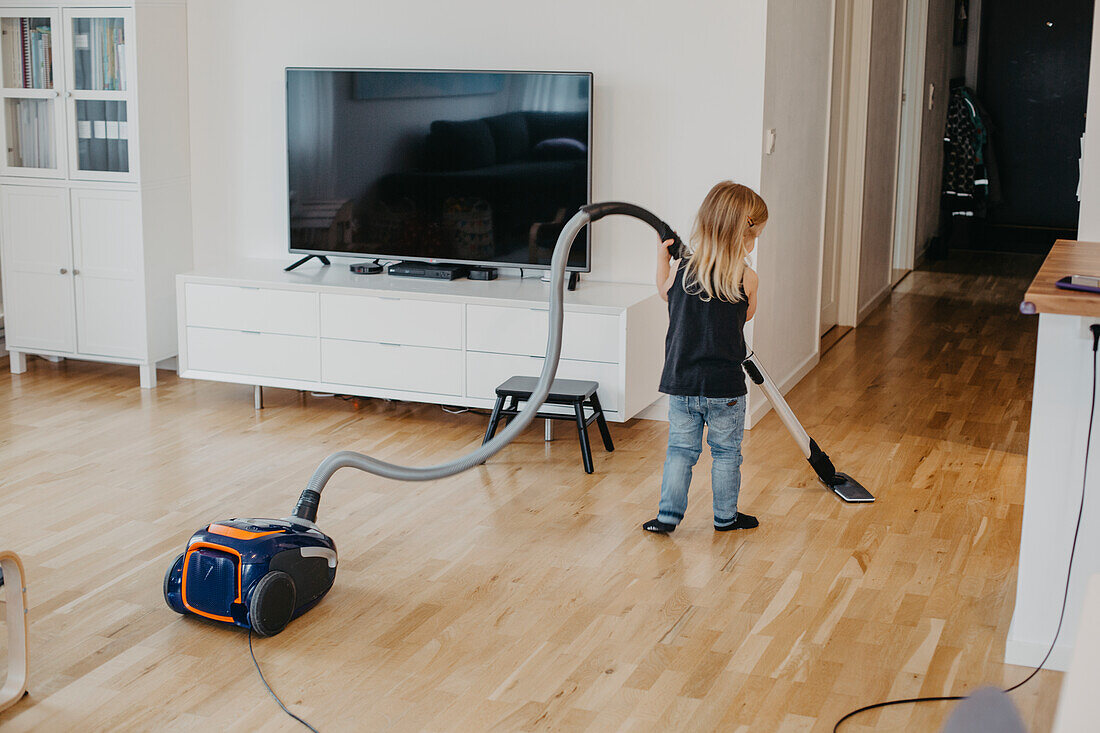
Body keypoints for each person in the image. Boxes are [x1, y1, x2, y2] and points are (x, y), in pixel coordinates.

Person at [643, 181, 766, 534]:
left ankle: (667, 517)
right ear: (745, 235)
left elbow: (663, 294)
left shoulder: (682, 272)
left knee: (681, 451)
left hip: (683, 384)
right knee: (726, 454)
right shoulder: (747, 278)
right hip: (725, 388)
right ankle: (725, 518)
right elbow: (747, 316)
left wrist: (663, 258)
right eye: (755, 235)